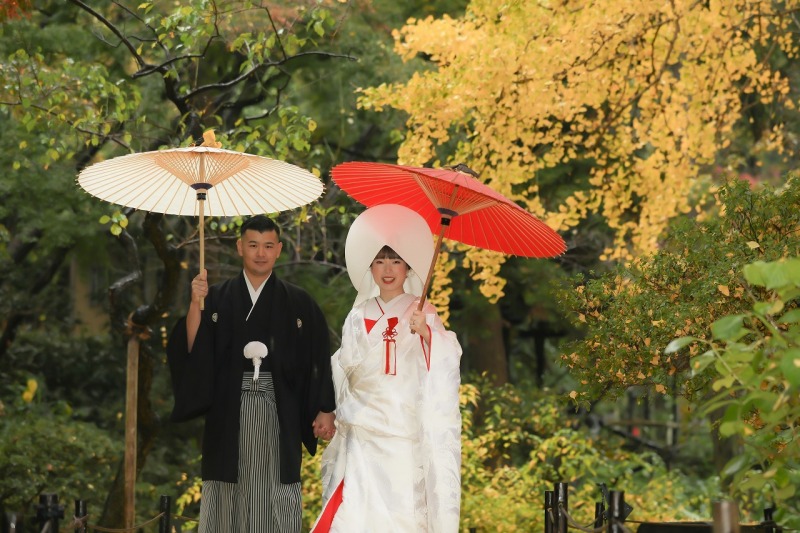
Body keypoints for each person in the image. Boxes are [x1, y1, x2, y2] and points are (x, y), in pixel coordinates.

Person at [166, 215, 336, 533]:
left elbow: (318, 358)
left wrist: (325, 408)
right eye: (253, 245)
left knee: (275, 486)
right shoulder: (216, 297)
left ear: (279, 249)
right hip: (228, 408)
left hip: (280, 409)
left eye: (268, 246)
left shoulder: (299, 302)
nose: (261, 253)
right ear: (239, 247)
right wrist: (195, 303)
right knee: (226, 488)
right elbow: (192, 348)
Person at [311, 204, 462, 533]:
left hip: (402, 428)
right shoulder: (358, 315)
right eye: (380, 260)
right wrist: (327, 410)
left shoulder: (421, 311)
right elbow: (342, 367)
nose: (388, 268)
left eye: (396, 260)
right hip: (361, 426)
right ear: (371, 267)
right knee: (355, 509)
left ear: (408, 268)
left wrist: (428, 334)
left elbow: (447, 358)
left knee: (399, 510)